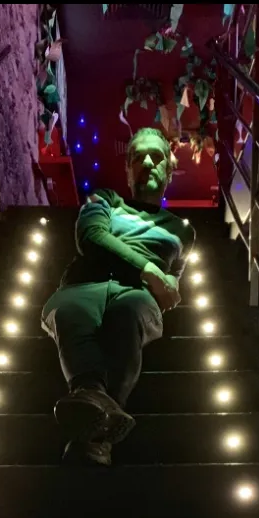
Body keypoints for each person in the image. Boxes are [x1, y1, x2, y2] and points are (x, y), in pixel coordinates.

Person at [41, 127, 195, 466]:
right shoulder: (106, 199)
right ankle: (102, 429)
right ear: (127, 170)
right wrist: (148, 268)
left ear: (169, 171)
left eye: (156, 157)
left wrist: (169, 283)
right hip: (83, 285)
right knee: (70, 311)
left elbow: (173, 278)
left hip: (137, 296)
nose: (147, 163)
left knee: (128, 314)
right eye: (138, 157)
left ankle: (91, 406)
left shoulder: (182, 230)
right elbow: (91, 236)